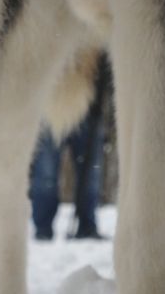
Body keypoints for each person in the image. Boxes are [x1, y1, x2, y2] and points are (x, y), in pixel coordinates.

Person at [30, 58, 110, 241]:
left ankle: (87, 226)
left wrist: (98, 101)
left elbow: (103, 65)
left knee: (90, 175)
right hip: (49, 107)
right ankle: (43, 228)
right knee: (45, 176)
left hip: (87, 108)